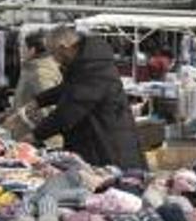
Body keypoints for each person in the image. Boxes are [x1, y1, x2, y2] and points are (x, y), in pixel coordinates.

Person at [23, 26, 145, 168]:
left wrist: (35, 135)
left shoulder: (93, 69)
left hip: (107, 147)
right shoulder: (86, 64)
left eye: (53, 53)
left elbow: (68, 112)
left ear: (63, 47)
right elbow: (69, 88)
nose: (54, 59)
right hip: (98, 140)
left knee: (113, 186)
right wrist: (39, 101)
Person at [13, 30, 63, 109]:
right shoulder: (33, 68)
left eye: (23, 47)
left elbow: (48, 109)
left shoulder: (41, 74)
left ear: (32, 50)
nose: (20, 51)